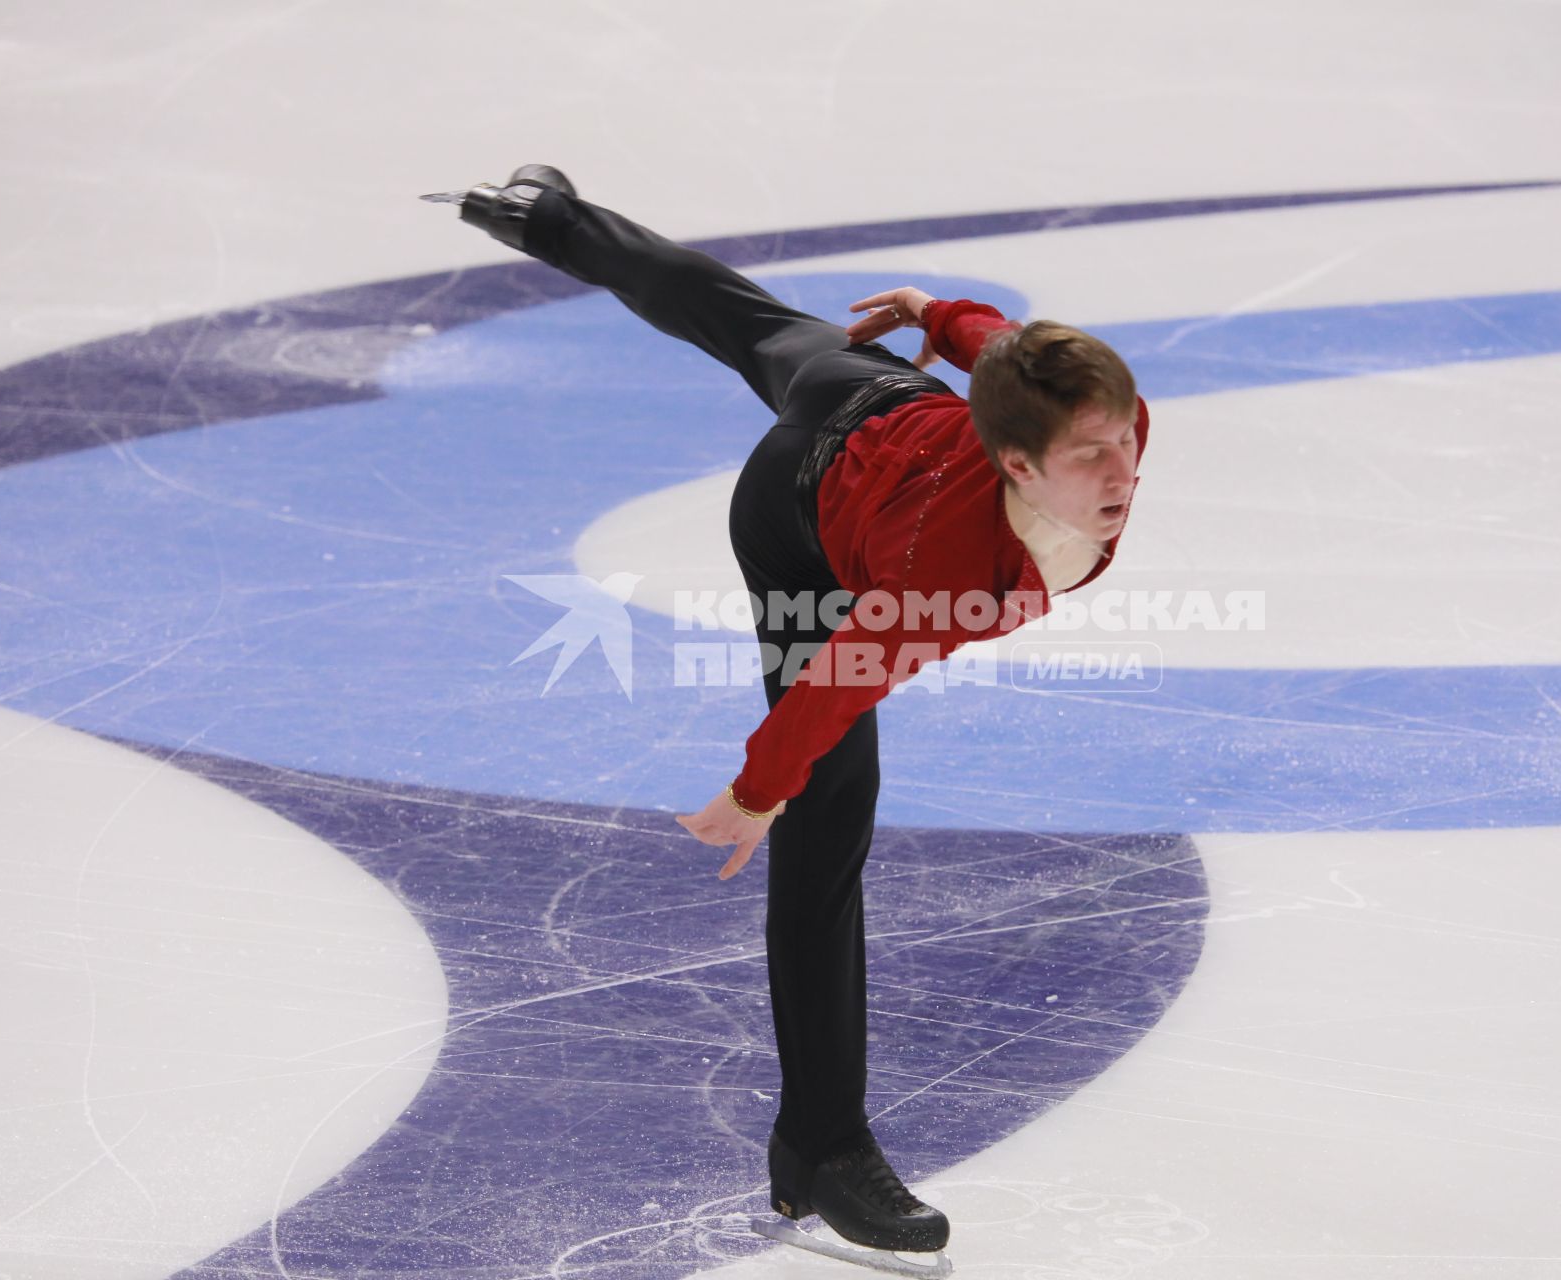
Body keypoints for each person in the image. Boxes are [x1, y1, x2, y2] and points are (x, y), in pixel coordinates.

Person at [431, 166, 1148, 1267]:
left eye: (1123, 441)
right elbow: (838, 678)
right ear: (1014, 462)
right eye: (1093, 457)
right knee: (827, 818)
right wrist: (758, 788)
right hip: (801, 520)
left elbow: (1010, 347)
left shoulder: (1093, 412)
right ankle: (820, 1143)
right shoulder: (936, 577)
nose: (1125, 468)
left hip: (879, 394)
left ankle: (550, 214)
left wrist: (933, 318)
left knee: (745, 322)